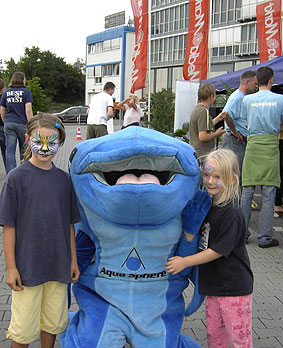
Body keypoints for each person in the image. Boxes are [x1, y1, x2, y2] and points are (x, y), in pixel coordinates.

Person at [0, 114, 81, 348]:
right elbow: (9, 227)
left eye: (52, 142)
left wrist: (73, 261)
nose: (45, 148)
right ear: (27, 139)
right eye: (39, 141)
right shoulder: (16, 179)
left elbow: (69, 225)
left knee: (52, 323)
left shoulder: (65, 181)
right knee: (23, 330)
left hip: (58, 268)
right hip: (27, 270)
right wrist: (12, 268)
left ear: (60, 143)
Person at [166, 149, 253, 348]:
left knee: (239, 339)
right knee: (215, 336)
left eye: (217, 177)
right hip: (213, 287)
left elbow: (217, 250)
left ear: (232, 180)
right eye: (206, 175)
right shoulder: (207, 205)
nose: (210, 181)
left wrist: (184, 262)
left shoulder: (232, 213)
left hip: (234, 290)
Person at [241, 67, 283, 248]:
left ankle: (241, 235)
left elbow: (245, 122)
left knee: (247, 193)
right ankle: (265, 238)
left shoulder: (247, 100)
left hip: (252, 146)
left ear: (257, 81)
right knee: (268, 195)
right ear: (272, 80)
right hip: (271, 146)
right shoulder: (280, 99)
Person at [221, 70, 257, 185]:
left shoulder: (242, 97)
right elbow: (226, 114)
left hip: (238, 140)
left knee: (238, 174)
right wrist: (236, 132)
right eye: (255, 84)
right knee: (234, 174)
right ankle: (233, 201)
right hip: (234, 141)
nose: (256, 86)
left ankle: (237, 201)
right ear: (247, 82)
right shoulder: (236, 97)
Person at [0, 72, 33, 174]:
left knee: (9, 150)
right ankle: (24, 172)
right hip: (22, 124)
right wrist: (31, 124)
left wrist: (6, 122)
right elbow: (28, 110)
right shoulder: (26, 92)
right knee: (24, 150)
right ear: (22, 80)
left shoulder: (6, 93)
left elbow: (2, 111)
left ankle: (11, 174)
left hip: (9, 124)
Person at [189, 83, 227, 160]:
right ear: (211, 96)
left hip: (196, 151)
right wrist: (216, 134)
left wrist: (217, 119)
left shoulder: (197, 109)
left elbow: (202, 127)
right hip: (203, 154)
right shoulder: (203, 111)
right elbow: (203, 136)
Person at [0, 79, 6, 168]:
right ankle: (9, 171)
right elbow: (3, 112)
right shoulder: (4, 97)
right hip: (2, 126)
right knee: (6, 151)